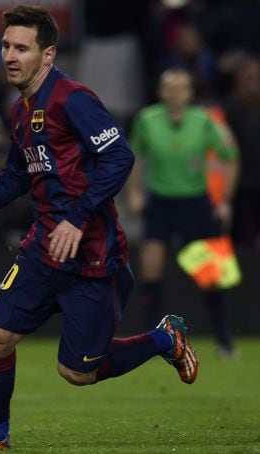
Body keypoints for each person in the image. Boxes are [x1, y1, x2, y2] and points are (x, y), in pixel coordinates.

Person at [0, 6, 198, 452]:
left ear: (48, 54)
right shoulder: (22, 112)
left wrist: (77, 217)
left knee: (78, 373)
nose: (9, 56)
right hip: (43, 249)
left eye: (21, 48)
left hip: (93, 255)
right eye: (5, 46)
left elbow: (120, 157)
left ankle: (162, 338)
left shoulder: (73, 99)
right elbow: (15, 179)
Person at [127, 69, 239, 357]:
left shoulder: (204, 122)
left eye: (181, 88)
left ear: (190, 93)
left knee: (210, 275)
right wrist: (135, 194)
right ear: (161, 92)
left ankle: (224, 340)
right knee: (151, 267)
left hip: (195, 203)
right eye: (169, 87)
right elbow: (134, 157)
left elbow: (230, 157)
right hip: (161, 202)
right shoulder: (146, 120)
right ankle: (151, 343)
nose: (174, 93)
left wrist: (224, 199)